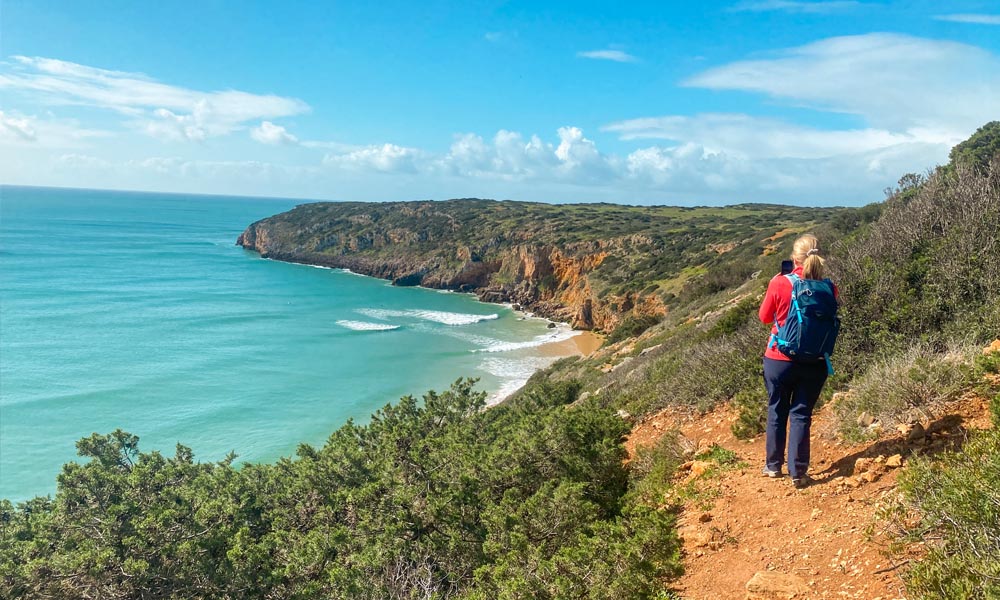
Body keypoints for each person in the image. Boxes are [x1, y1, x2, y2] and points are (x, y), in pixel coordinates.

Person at [758, 234, 837, 489]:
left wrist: (774, 283)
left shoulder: (780, 283)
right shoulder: (829, 287)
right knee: (801, 414)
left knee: (777, 410)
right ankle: (798, 472)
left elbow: (764, 317)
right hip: (814, 361)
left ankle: (773, 466)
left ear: (794, 259)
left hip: (779, 360)